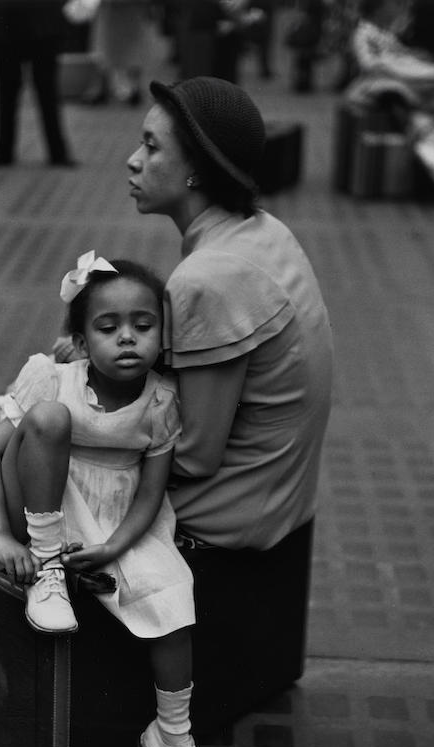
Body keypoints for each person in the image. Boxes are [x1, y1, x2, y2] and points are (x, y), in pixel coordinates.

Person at [0, 255, 227, 747]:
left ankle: (172, 736)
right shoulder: (52, 375)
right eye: (107, 327)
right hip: (32, 496)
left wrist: (117, 546)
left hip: (112, 515)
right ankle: (46, 571)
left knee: (174, 597)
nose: (127, 338)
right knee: (48, 419)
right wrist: (3, 535)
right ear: (79, 337)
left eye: (143, 326)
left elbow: (150, 494)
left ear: (162, 335)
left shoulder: (162, 400)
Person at [119, 76, 332, 657]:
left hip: (237, 508)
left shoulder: (209, 278)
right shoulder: (262, 232)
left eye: (152, 147)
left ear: (197, 172)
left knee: (23, 475)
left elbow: (195, 452)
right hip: (283, 488)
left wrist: (87, 452)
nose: (133, 161)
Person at [0, 0, 76, 167]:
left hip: (34, 19)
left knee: (43, 89)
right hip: (12, 19)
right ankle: (8, 149)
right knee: (12, 89)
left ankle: (54, 150)